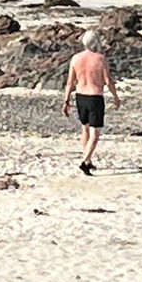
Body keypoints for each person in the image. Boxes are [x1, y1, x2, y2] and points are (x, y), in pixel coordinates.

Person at [62, 30, 120, 176]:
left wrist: (66, 100)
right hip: (95, 97)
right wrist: (116, 97)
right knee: (95, 132)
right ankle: (85, 161)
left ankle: (87, 161)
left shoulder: (76, 58)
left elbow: (70, 83)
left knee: (85, 129)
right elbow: (108, 81)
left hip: (80, 96)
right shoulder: (100, 59)